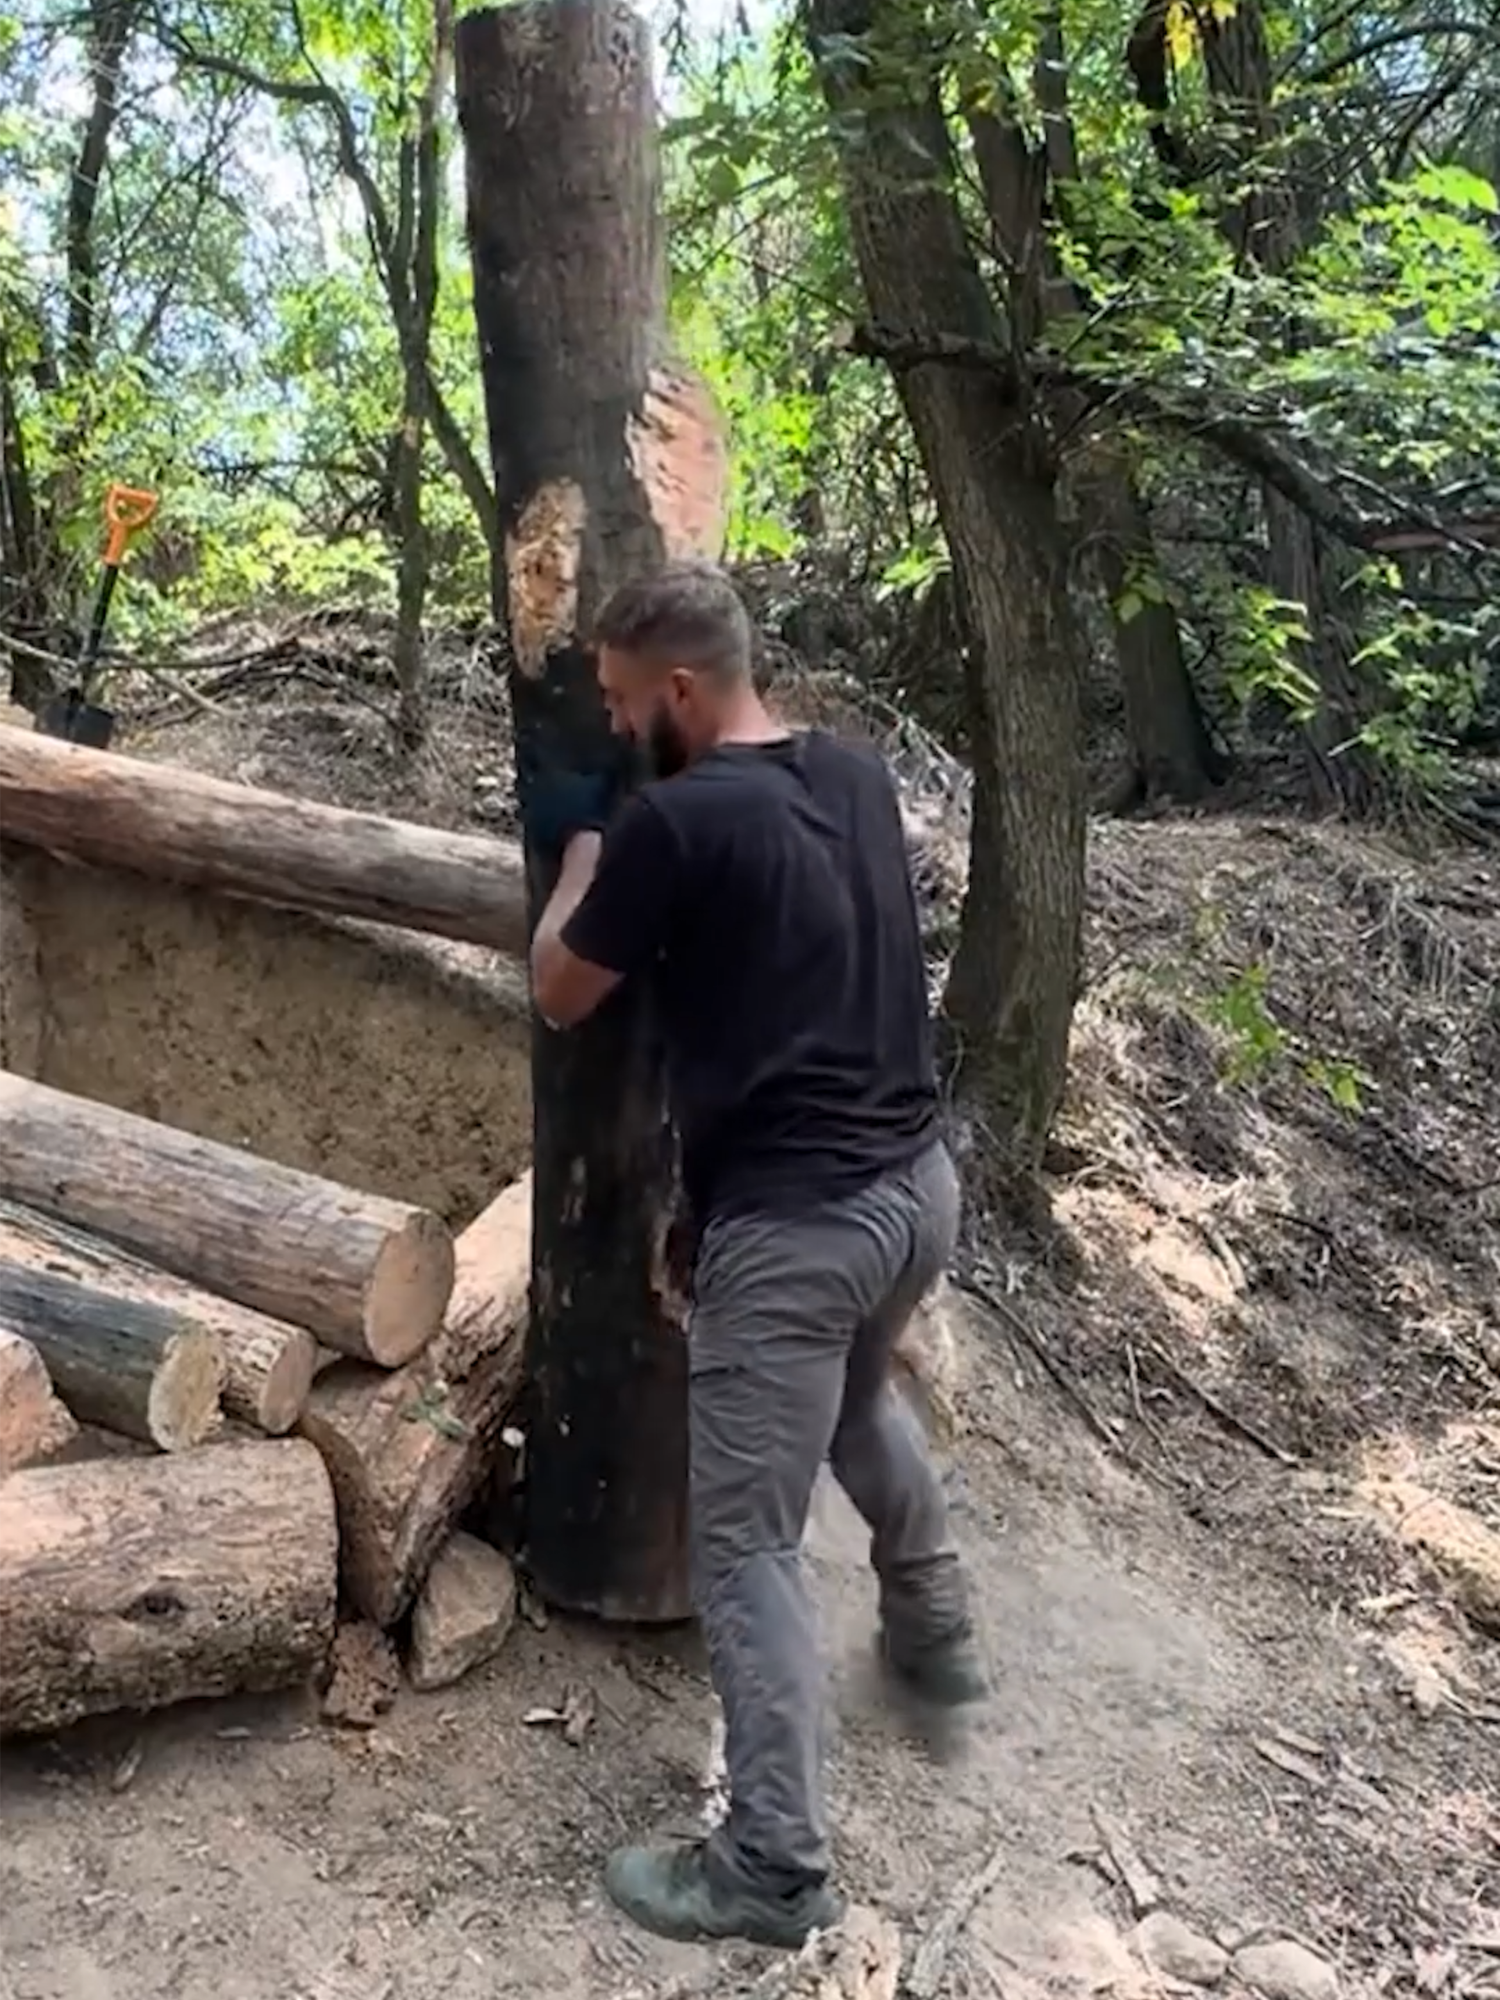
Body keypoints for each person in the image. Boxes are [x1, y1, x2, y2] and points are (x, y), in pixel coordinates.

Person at [520, 559, 985, 1952]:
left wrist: (586, 856)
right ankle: (935, 1628)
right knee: (856, 1401)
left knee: (745, 1549)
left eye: (622, 702)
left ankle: (773, 1867)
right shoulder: (852, 775)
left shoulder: (672, 823)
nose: (614, 728)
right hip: (916, 1191)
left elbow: (560, 988)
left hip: (799, 1233)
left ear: (681, 688)